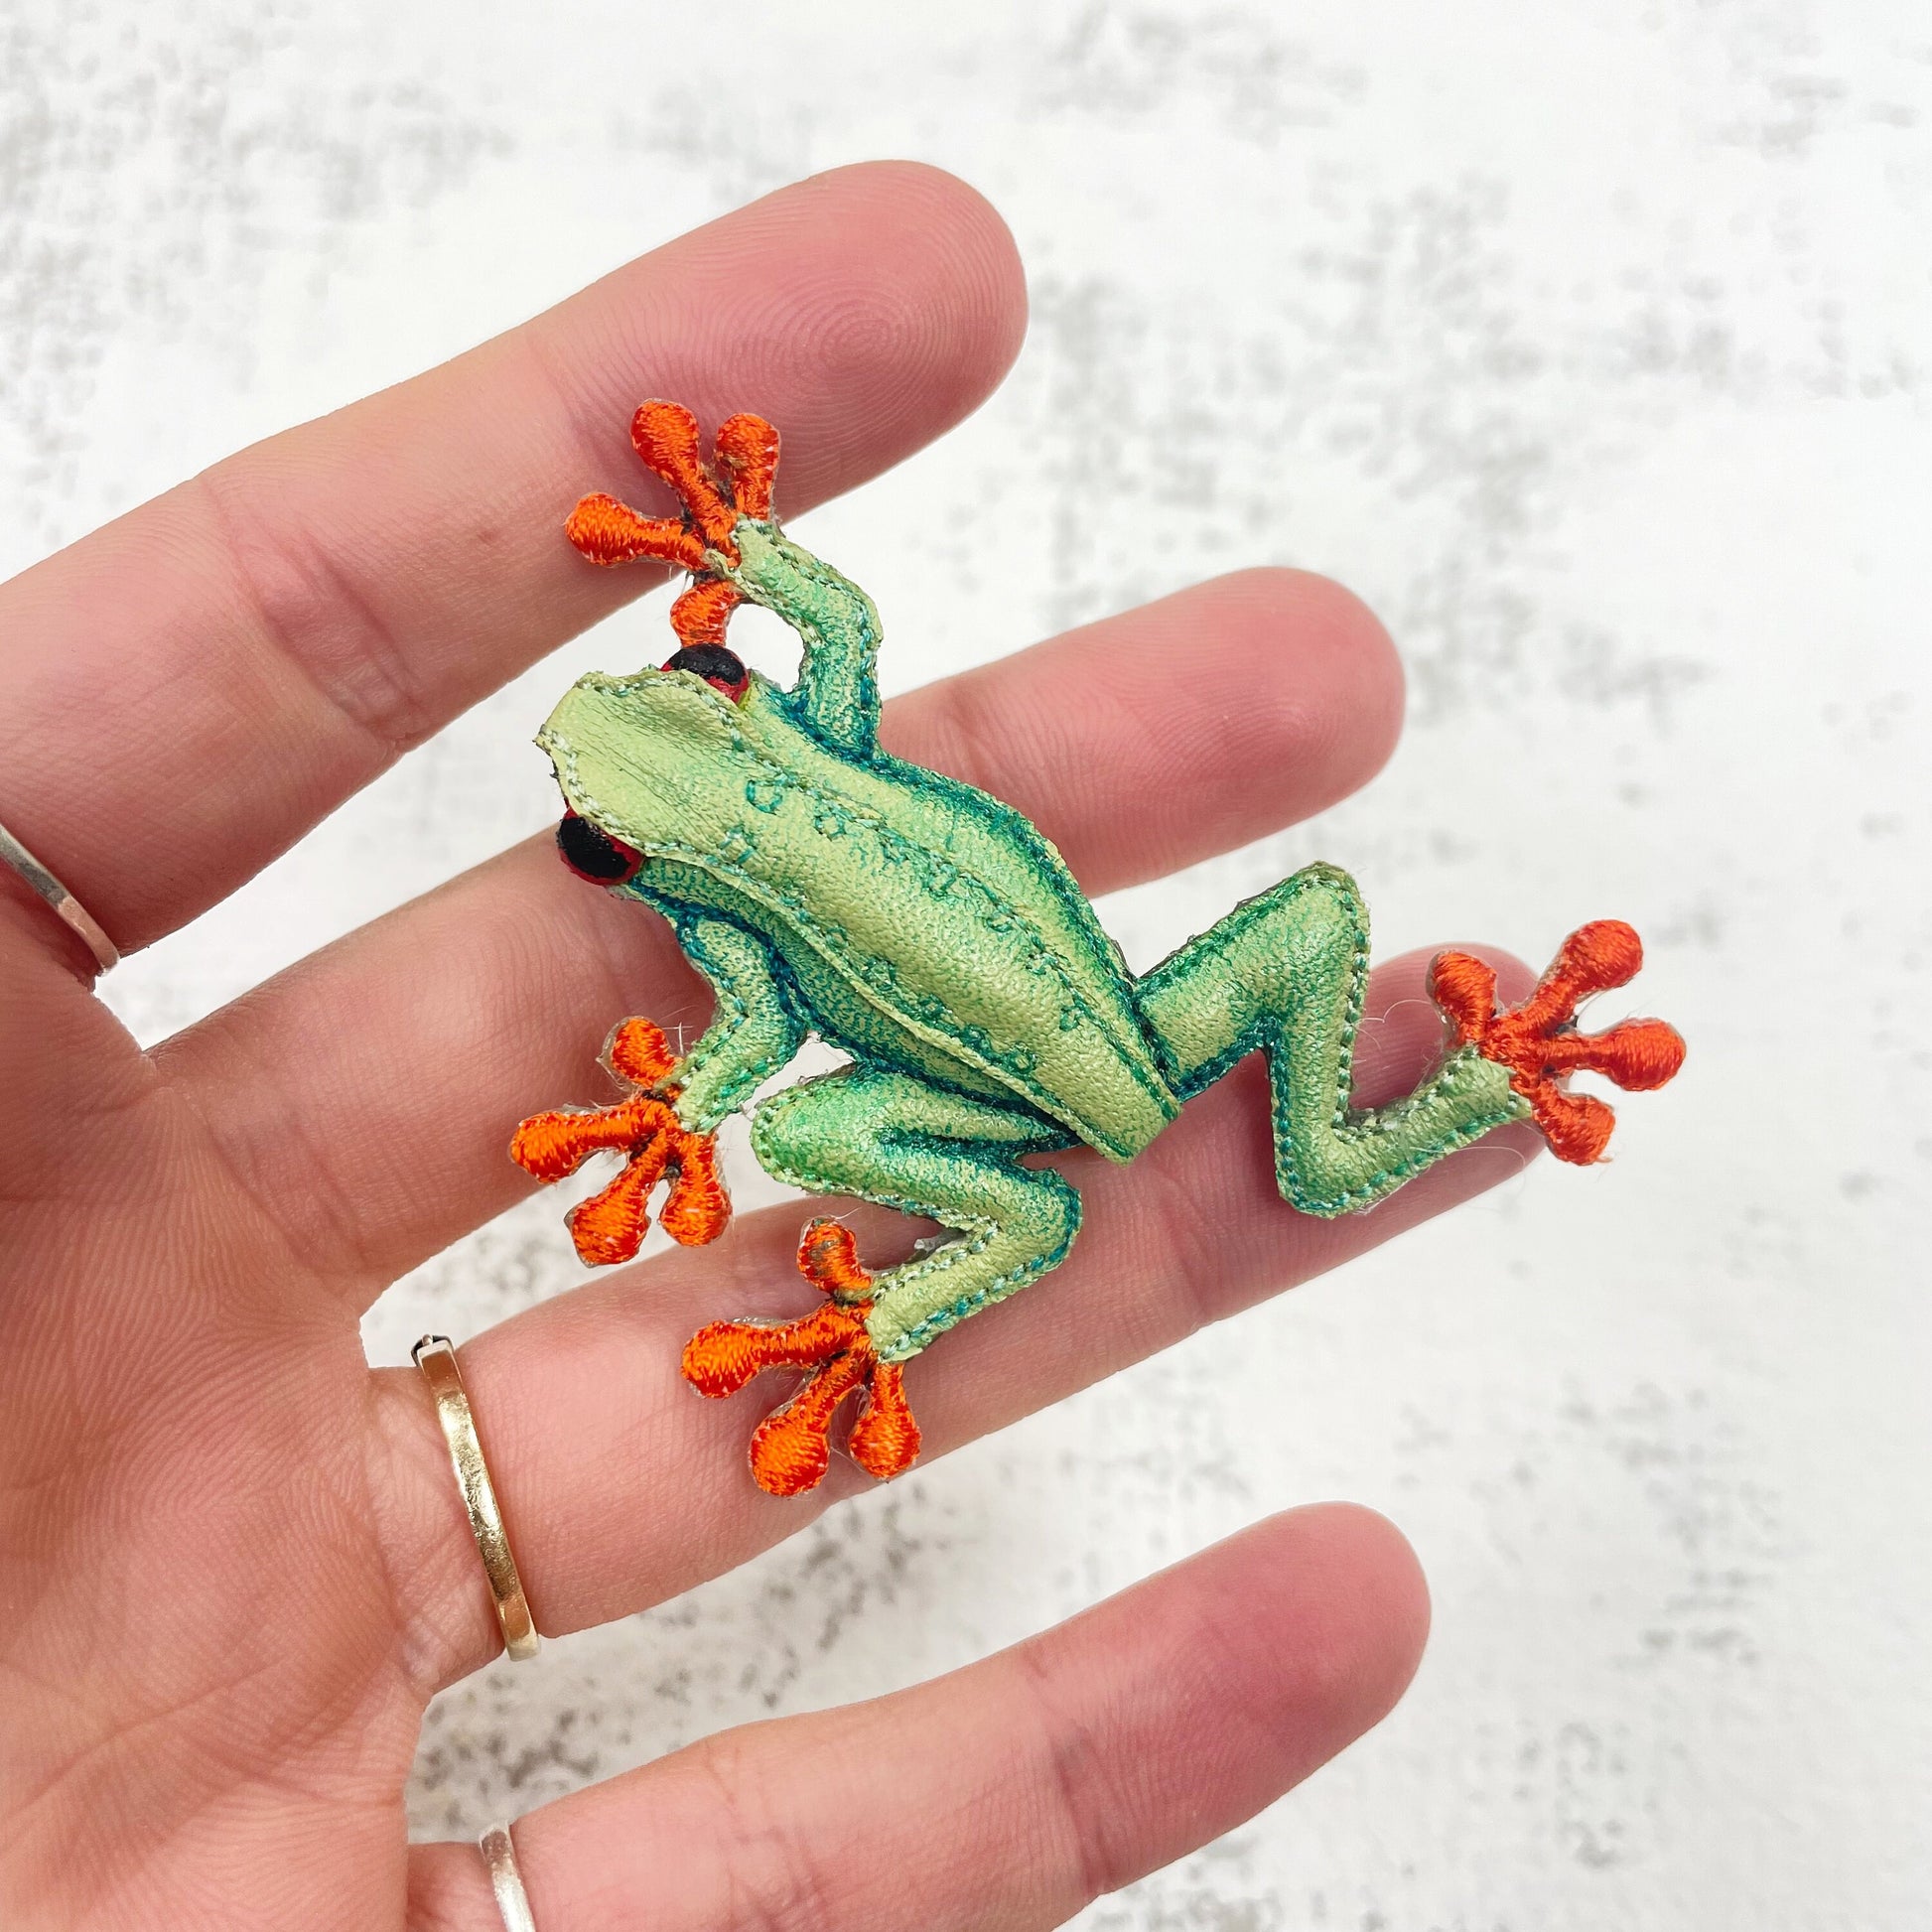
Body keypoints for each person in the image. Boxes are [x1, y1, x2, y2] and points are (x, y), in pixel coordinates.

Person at [0, 163, 1536, 1930]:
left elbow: (746, 1046)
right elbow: (843, 642)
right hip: (1128, 1033)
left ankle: (1007, 1261)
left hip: (1048, 1086)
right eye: (605, 843)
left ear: (715, 716)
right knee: (1315, 920)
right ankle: (1407, 1115)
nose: (683, 706)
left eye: (697, 682)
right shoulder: (806, 770)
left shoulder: (739, 903)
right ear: (648, 849)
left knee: (833, 1149)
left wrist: (677, 1104)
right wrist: (752, 568)